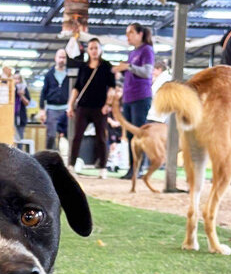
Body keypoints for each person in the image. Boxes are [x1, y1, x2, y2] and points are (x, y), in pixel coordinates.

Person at [66, 37, 115, 178]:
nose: (94, 51)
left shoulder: (106, 66)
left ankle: (103, 168)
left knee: (101, 137)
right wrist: (70, 105)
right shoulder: (83, 67)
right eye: (91, 48)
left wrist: (108, 104)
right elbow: (76, 88)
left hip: (100, 108)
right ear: (88, 50)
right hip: (83, 107)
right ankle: (71, 166)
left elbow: (111, 88)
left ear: (101, 50)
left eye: (96, 48)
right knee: (77, 137)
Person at [112, 22, 155, 180]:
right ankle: (132, 167)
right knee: (130, 135)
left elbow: (147, 72)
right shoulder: (133, 53)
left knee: (138, 133)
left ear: (140, 34)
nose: (127, 36)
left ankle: (139, 167)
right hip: (129, 98)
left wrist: (128, 67)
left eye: (130, 32)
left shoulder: (147, 50)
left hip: (141, 97)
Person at [39, 49, 69, 150]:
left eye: (64, 57)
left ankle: (67, 160)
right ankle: (49, 156)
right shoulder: (49, 74)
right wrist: (42, 109)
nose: (61, 60)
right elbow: (43, 92)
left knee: (67, 136)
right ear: (55, 58)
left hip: (66, 109)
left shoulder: (70, 75)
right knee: (51, 136)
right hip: (52, 109)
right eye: (60, 57)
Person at [146, 59, 172, 123]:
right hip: (158, 115)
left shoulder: (163, 78)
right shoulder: (162, 78)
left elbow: (152, 93)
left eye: (154, 70)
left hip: (158, 116)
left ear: (159, 69)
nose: (152, 73)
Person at [13, 71, 31, 141]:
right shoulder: (10, 89)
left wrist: (21, 95)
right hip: (10, 117)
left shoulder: (24, 89)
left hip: (21, 117)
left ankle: (19, 151)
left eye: (18, 79)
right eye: (15, 79)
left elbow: (27, 103)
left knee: (20, 138)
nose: (16, 81)